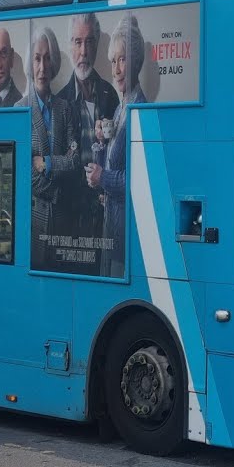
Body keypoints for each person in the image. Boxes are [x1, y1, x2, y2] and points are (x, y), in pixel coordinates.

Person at [85, 15, 146, 277]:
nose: (116, 69)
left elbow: (139, 182)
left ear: (136, 61)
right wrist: (100, 144)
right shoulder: (121, 109)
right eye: (113, 61)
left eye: (122, 60)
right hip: (110, 231)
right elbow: (111, 167)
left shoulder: (140, 110)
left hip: (126, 238)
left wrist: (102, 178)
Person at [18, 26, 79, 270]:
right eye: (37, 58)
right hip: (34, 223)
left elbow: (75, 161)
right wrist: (57, 191)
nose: (42, 67)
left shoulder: (65, 108)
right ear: (30, 64)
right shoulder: (20, 109)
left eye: (47, 58)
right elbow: (25, 173)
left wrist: (47, 163)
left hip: (64, 225)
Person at [56, 13, 119, 241]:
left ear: (97, 45)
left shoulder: (110, 95)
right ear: (70, 46)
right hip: (70, 212)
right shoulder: (60, 100)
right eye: (77, 42)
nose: (83, 51)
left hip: (104, 208)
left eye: (89, 42)